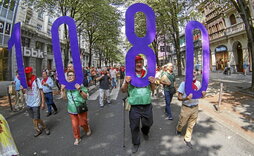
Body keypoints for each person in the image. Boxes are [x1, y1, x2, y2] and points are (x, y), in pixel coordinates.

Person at [121, 55, 156, 154]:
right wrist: (126, 83)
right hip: (135, 106)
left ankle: (145, 131)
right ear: (134, 64)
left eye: (140, 62)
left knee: (148, 123)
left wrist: (153, 83)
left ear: (143, 63)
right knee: (134, 126)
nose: (139, 64)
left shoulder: (148, 74)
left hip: (147, 105)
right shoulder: (129, 75)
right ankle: (136, 143)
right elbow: (123, 90)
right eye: (137, 62)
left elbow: (153, 89)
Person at [176, 70, 206, 148]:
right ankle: (179, 129)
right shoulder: (183, 84)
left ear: (196, 73)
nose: (193, 74)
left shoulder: (198, 83)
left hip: (195, 107)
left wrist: (203, 95)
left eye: (194, 72)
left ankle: (187, 139)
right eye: (191, 72)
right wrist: (186, 98)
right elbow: (179, 98)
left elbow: (201, 96)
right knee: (182, 123)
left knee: (191, 125)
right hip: (186, 108)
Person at [61, 70, 91, 145]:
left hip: (81, 108)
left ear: (75, 77)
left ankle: (87, 128)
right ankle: (77, 138)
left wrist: (79, 90)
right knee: (75, 125)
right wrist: (62, 90)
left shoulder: (80, 85)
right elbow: (64, 98)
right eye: (69, 75)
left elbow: (85, 97)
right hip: (71, 109)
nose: (70, 77)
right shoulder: (67, 87)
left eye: (72, 75)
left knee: (83, 123)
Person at [21, 67, 50, 137]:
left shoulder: (36, 80)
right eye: (26, 73)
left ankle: (37, 130)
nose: (27, 74)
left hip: (36, 102)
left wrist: (43, 102)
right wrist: (22, 89)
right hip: (28, 102)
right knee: (35, 118)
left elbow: (41, 91)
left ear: (31, 72)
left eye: (28, 73)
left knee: (36, 118)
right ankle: (44, 127)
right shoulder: (24, 81)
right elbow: (24, 91)